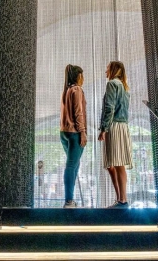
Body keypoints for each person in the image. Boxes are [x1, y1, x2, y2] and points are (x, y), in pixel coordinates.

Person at [98, 61, 133, 208]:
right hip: (123, 126)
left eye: (107, 68)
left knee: (117, 164)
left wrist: (104, 129)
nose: (106, 71)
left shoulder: (112, 84)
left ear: (113, 70)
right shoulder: (124, 87)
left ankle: (122, 200)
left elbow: (109, 108)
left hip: (114, 126)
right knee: (118, 164)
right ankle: (120, 199)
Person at [60, 64, 87, 208]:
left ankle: (70, 200)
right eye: (82, 75)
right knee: (71, 165)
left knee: (74, 164)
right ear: (78, 76)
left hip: (64, 132)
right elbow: (78, 113)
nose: (83, 78)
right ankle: (69, 201)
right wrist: (82, 132)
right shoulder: (77, 90)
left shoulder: (67, 90)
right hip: (74, 133)